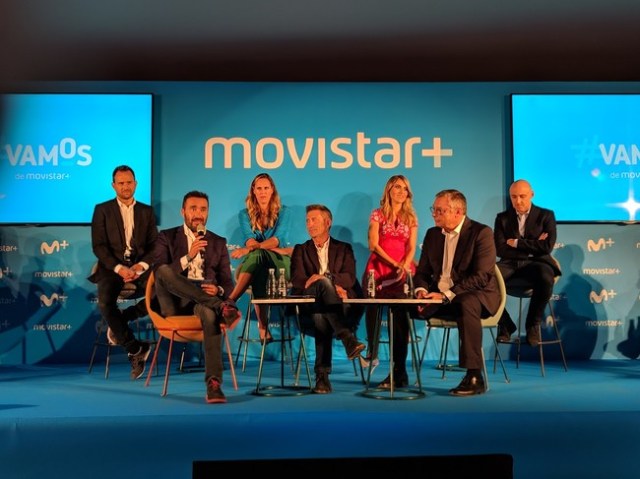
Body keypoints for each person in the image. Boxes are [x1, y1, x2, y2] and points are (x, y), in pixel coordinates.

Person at [152, 190, 241, 404]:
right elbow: (159, 274)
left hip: (201, 301)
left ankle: (214, 384)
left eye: (203, 209)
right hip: (174, 301)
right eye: (193, 209)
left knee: (209, 316)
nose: (198, 214)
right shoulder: (166, 236)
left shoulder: (217, 242)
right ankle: (220, 307)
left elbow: (227, 283)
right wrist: (189, 256)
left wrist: (218, 291)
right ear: (183, 212)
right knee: (163, 270)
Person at [413, 189, 500, 396]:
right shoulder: (433, 234)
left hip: (475, 297)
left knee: (465, 303)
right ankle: (398, 371)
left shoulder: (481, 233)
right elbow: (422, 272)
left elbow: (481, 277)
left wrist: (446, 295)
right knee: (398, 304)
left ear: (458, 212)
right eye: (434, 209)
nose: (434, 214)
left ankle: (474, 376)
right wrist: (421, 290)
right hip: (439, 299)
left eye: (440, 210)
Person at [89, 165, 158, 380]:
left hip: (139, 268)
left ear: (135, 184)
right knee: (105, 302)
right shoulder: (102, 210)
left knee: (163, 290)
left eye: (129, 182)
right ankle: (135, 348)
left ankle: (122, 319)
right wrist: (120, 269)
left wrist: (140, 266)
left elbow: (154, 246)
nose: (125, 187)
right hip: (112, 268)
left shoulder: (146, 211)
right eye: (121, 183)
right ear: (113, 186)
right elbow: (99, 246)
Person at [289, 204, 366, 394]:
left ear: (328, 222)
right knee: (320, 296)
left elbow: (349, 277)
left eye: (314, 219)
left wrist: (326, 278)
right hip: (308, 306)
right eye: (307, 220)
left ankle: (322, 378)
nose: (310, 224)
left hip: (338, 308)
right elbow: (297, 280)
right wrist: (322, 283)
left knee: (321, 315)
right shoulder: (301, 249)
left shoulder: (344, 248)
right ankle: (347, 338)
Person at [360, 175, 419, 371]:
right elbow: (373, 244)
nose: (401, 192)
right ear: (389, 190)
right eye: (397, 187)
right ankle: (372, 353)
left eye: (404, 188)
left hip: (403, 268)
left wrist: (404, 265)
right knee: (372, 307)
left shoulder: (411, 217)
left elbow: (411, 247)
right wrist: (394, 263)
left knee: (401, 309)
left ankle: (399, 362)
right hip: (379, 267)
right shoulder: (377, 214)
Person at [494, 179, 560, 346]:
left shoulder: (546, 215)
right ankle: (505, 324)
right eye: (514, 197)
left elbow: (546, 247)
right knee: (484, 280)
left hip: (537, 263)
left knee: (546, 277)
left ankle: (532, 325)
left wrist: (516, 243)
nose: (518, 201)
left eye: (522, 196)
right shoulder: (502, 218)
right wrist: (533, 245)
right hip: (509, 263)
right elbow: (500, 249)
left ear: (532, 195)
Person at [228, 173, 292, 342]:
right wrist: (253, 247)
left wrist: (250, 249)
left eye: (266, 188)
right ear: (253, 191)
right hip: (258, 264)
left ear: (272, 190)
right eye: (259, 188)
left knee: (256, 256)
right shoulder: (244, 214)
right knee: (258, 265)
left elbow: (276, 240)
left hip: (279, 263)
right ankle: (263, 327)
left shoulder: (284, 212)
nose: (263, 192)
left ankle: (231, 301)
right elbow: (249, 239)